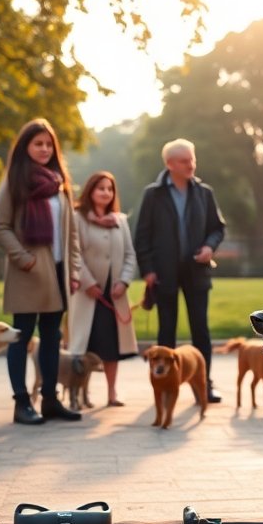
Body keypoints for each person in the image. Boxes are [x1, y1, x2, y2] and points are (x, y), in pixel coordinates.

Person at [0, 119, 82, 424]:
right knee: (22, 335)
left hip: (59, 271)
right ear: (25, 147)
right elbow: (0, 227)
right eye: (37, 144)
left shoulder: (60, 183)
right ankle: (21, 403)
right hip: (28, 272)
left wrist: (74, 269)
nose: (44, 149)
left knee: (52, 336)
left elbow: (71, 233)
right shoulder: (14, 181)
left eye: (48, 144)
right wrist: (23, 258)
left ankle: (50, 400)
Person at [134, 138, 226, 402]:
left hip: (197, 271)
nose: (191, 165)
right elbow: (142, 235)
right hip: (163, 273)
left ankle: (204, 384)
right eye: (185, 161)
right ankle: (164, 385)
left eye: (192, 159)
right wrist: (148, 269)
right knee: (166, 330)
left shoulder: (204, 192)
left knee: (201, 330)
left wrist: (209, 247)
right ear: (170, 164)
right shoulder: (153, 194)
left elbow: (218, 228)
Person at [68, 170, 139, 406]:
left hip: (114, 294)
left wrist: (124, 282)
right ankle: (81, 394)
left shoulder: (120, 221)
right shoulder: (77, 218)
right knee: (85, 345)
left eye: (110, 189)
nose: (106, 193)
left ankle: (112, 393)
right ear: (90, 191)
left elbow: (130, 255)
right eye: (101, 188)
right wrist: (88, 282)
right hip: (88, 294)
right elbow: (74, 253)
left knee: (112, 346)